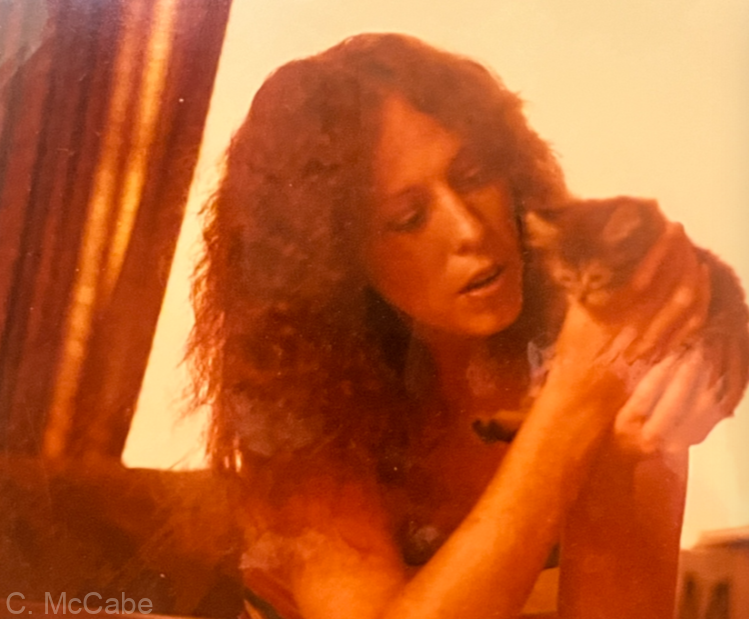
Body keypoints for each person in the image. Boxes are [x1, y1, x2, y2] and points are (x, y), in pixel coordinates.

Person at [188, 33, 747, 619]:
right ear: (336, 260)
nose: (469, 230)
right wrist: (572, 405)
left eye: (475, 174)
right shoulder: (304, 416)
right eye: (409, 218)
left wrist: (612, 441)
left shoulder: (606, 341)